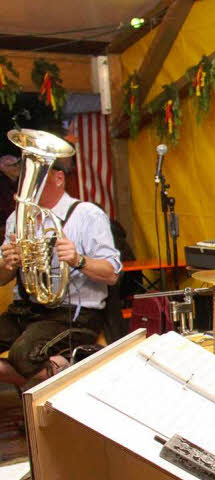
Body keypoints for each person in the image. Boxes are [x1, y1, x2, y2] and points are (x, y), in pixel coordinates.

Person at [0, 152, 121, 387]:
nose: (27, 187)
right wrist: (7, 264)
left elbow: (112, 274)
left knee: (22, 357)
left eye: (36, 179)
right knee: (23, 357)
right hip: (26, 310)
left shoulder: (87, 214)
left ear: (58, 178)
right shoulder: (16, 218)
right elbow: (2, 279)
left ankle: (63, 374)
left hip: (72, 313)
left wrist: (78, 260)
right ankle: (57, 373)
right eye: (25, 180)